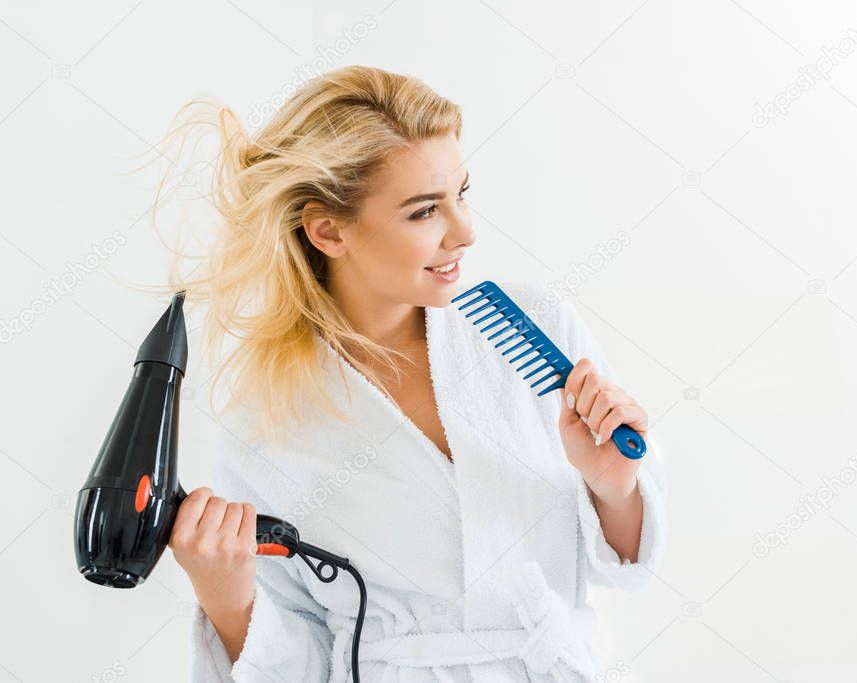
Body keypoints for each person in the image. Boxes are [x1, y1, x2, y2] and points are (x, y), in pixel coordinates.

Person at [157, 64, 669, 682]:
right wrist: (225, 598)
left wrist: (614, 489)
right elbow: (301, 666)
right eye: (425, 211)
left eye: (462, 194)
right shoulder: (267, 421)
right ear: (327, 230)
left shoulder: (538, 326)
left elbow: (625, 562)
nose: (466, 232)